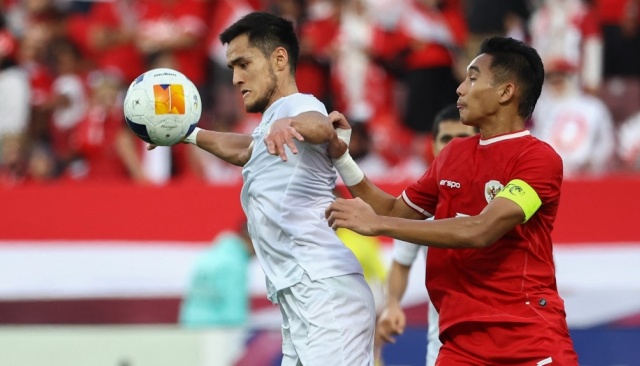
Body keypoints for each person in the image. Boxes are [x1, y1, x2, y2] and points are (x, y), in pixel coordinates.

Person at [325, 36, 579, 365]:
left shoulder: (538, 159)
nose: (460, 89)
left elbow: (481, 230)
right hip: (459, 344)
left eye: (473, 78)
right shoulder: (453, 155)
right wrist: (343, 158)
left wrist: (378, 225)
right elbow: (391, 209)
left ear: (506, 92)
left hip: (526, 336)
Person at [148, 11, 375, 365]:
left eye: (243, 64)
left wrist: (292, 121)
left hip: (323, 291)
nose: (236, 78)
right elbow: (245, 150)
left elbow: (321, 126)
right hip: (300, 295)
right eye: (231, 68)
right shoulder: (271, 122)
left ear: (279, 59)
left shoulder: (297, 106)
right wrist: (185, 133)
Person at [375, 104, 476, 366]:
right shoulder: (421, 205)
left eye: (463, 139)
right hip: (444, 347)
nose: (453, 147)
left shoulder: (498, 197)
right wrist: (393, 304)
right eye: (446, 139)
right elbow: (400, 263)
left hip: (499, 344)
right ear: (433, 146)